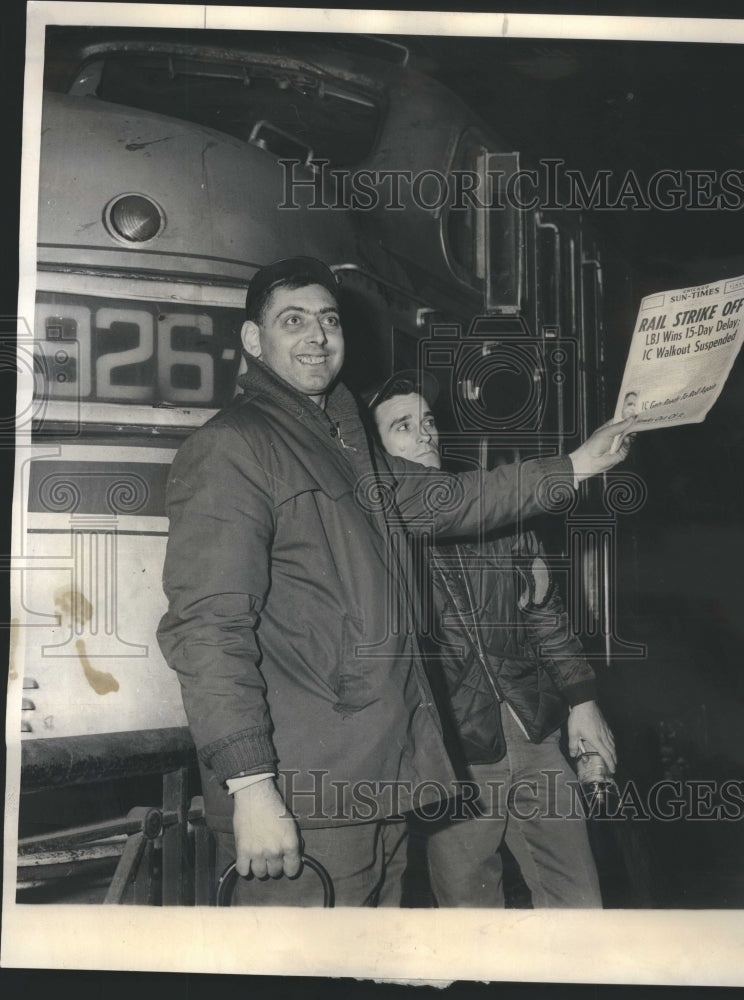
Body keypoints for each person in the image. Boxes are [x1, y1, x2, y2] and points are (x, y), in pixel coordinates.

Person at [157, 257, 635, 906]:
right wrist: (249, 785)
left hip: (378, 785)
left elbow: (458, 499)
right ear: (252, 341)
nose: (317, 336)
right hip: (305, 794)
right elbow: (208, 628)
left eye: (328, 320)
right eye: (292, 321)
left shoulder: (345, 448)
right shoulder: (235, 448)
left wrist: (577, 464)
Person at [368, 372, 617, 908]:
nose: (425, 434)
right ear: (376, 450)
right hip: (452, 759)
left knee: (581, 908)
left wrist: (583, 702)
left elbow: (544, 614)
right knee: (471, 923)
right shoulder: (371, 534)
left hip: (534, 732)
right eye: (403, 427)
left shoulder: (495, 511)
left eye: (428, 421)